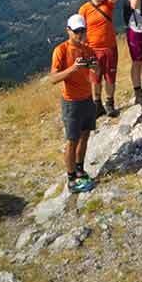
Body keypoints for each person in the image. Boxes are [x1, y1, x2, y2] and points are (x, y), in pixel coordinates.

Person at [48, 14, 99, 193]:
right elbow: (53, 78)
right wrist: (73, 69)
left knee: (85, 136)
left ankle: (80, 169)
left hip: (87, 98)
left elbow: (96, 74)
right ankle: (71, 178)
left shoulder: (88, 50)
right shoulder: (61, 50)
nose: (79, 34)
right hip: (71, 102)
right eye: (76, 31)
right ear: (68, 31)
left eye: (82, 31)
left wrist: (94, 66)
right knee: (72, 140)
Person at [78, 0, 120, 118]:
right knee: (95, 79)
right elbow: (81, 31)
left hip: (109, 48)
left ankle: (109, 103)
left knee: (110, 78)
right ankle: (97, 104)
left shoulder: (108, 3)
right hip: (92, 50)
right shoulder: (84, 9)